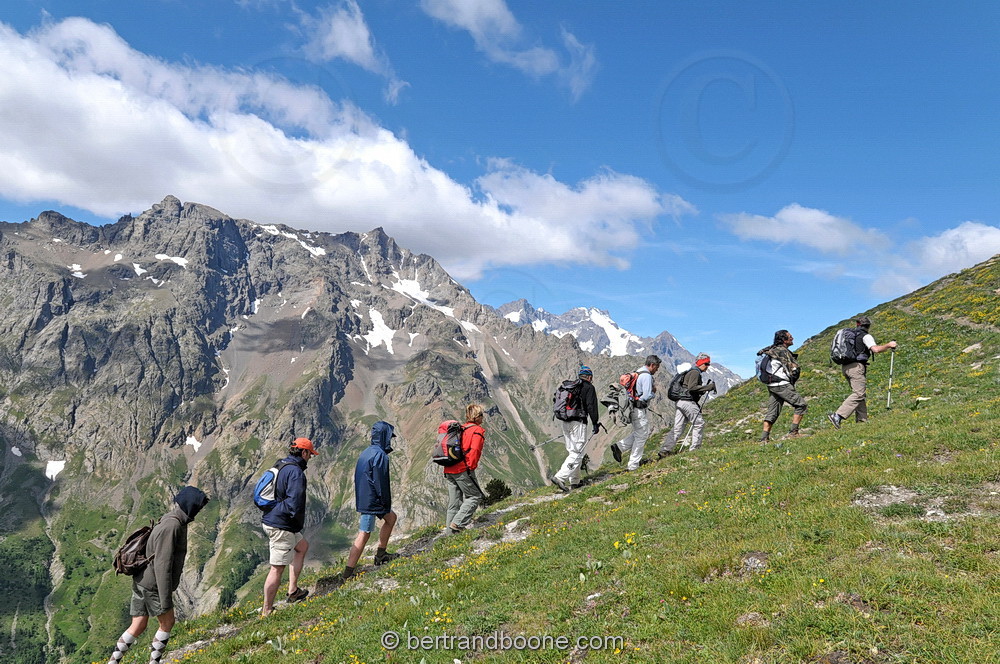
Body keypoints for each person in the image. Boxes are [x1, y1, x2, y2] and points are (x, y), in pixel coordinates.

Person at [106, 486, 209, 664]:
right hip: (153, 584)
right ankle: (154, 662)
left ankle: (113, 661)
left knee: (138, 623)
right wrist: (165, 599)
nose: (200, 510)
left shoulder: (170, 518)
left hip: (141, 579)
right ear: (192, 506)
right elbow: (163, 564)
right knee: (167, 622)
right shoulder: (173, 526)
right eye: (199, 506)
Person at [261, 437, 318, 617]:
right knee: (277, 567)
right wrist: (294, 521)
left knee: (302, 547)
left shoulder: (282, 465)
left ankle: (293, 591)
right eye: (310, 454)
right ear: (304, 452)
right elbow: (295, 502)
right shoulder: (296, 473)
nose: (310, 458)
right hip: (282, 525)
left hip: (275, 519)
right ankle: (267, 610)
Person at [342, 421, 400, 580]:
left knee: (391, 518)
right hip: (373, 500)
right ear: (384, 437)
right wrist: (384, 502)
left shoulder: (367, 452)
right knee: (364, 534)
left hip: (366, 497)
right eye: (390, 437)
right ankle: (348, 573)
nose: (391, 440)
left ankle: (381, 554)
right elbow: (380, 482)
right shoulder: (380, 455)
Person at [828, 316, 898, 428]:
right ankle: (838, 415)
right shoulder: (865, 336)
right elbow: (876, 349)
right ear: (868, 326)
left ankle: (862, 421)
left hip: (845, 367)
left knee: (859, 393)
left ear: (857, 324)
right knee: (859, 393)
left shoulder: (850, 335)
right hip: (856, 367)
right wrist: (889, 345)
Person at [549, 365, 600, 492]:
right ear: (589, 377)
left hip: (565, 422)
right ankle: (560, 477)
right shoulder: (589, 387)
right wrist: (595, 422)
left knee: (573, 452)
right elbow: (591, 406)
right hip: (578, 423)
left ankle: (575, 482)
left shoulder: (572, 387)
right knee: (578, 453)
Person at [657, 353, 716, 456]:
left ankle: (665, 450)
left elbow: (690, 388)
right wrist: (708, 387)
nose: (708, 366)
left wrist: (702, 390)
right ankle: (695, 449)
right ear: (701, 363)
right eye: (706, 364)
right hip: (688, 402)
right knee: (699, 423)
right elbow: (692, 388)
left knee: (678, 427)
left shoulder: (690, 371)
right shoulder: (695, 372)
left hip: (680, 401)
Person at [610, 355, 661, 471]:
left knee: (640, 433)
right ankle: (633, 465)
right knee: (642, 436)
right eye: (656, 367)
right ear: (652, 365)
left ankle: (619, 447)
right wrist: (653, 392)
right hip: (639, 409)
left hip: (631, 408)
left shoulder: (637, 372)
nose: (657, 370)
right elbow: (647, 395)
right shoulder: (646, 376)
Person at [443, 403, 487, 534]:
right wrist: (470, 467)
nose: (482, 418)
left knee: (454, 503)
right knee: (474, 496)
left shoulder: (460, 429)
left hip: (449, 469)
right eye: (481, 415)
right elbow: (475, 450)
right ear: (477, 416)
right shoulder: (477, 430)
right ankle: (457, 524)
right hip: (463, 469)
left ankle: (450, 536)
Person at [758, 330, 808, 441]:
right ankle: (793, 432)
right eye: (790, 337)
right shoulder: (782, 351)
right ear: (784, 340)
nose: (792, 338)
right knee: (801, 405)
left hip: (772, 385)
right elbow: (793, 368)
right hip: (782, 384)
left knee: (772, 412)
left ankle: (764, 438)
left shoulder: (772, 350)